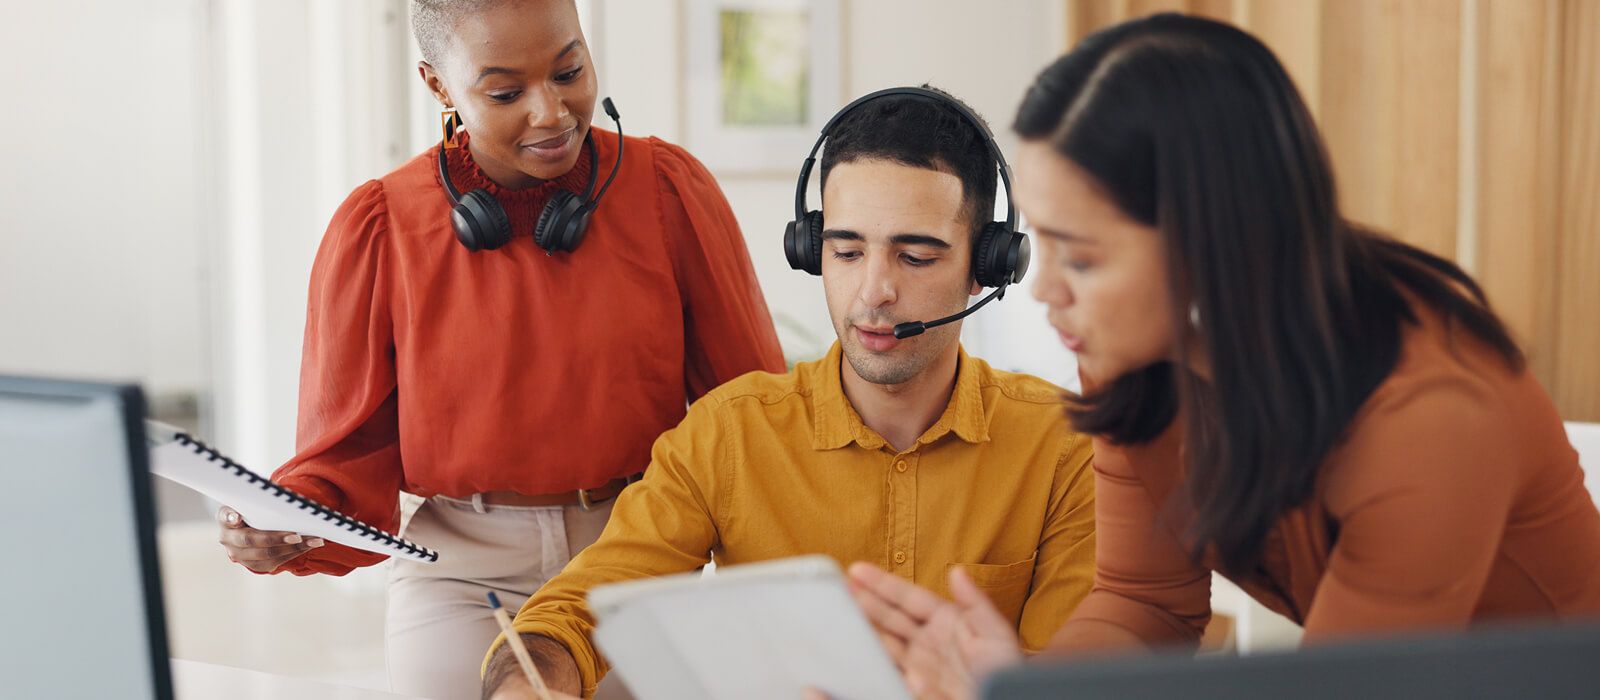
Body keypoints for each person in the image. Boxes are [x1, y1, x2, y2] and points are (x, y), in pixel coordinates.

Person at [848, 13, 1600, 700]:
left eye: (1082, 259)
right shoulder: (1132, 352)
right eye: (1045, 245)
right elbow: (1143, 603)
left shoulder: (1431, 417)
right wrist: (1023, 688)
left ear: (1216, 244)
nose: (1044, 290)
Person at [213, 1, 784, 698]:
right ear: (438, 86)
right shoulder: (380, 227)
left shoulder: (668, 191)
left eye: (569, 70)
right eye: (506, 92)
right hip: (463, 569)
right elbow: (344, 456)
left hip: (637, 548)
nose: (551, 112)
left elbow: (749, 412)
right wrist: (283, 524)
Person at [481, 87, 1098, 700]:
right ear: (811, 250)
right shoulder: (730, 434)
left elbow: (1071, 681)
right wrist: (528, 683)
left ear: (985, 268)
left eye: (914, 257)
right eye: (847, 250)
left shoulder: (1063, 449)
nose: (873, 291)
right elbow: (573, 614)